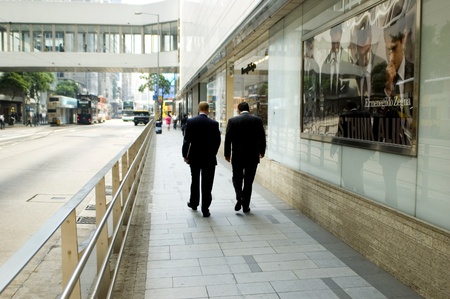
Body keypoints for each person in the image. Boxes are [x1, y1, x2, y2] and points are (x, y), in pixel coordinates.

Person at [224, 102, 266, 213]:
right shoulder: (257, 121)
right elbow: (262, 137)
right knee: (248, 180)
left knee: (236, 178)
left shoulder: (233, 121)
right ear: (249, 109)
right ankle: (246, 206)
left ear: (238, 110)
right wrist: (262, 151)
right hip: (252, 155)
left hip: (237, 155)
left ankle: (239, 196)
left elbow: (228, 139)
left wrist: (227, 154)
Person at [182, 102, 221, 217]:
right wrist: (213, 153)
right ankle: (205, 209)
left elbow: (186, 140)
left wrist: (185, 155)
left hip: (194, 157)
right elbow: (217, 141)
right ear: (208, 110)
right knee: (207, 183)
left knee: (195, 180)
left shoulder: (191, 122)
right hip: (209, 158)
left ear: (198, 109)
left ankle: (194, 203)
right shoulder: (214, 124)